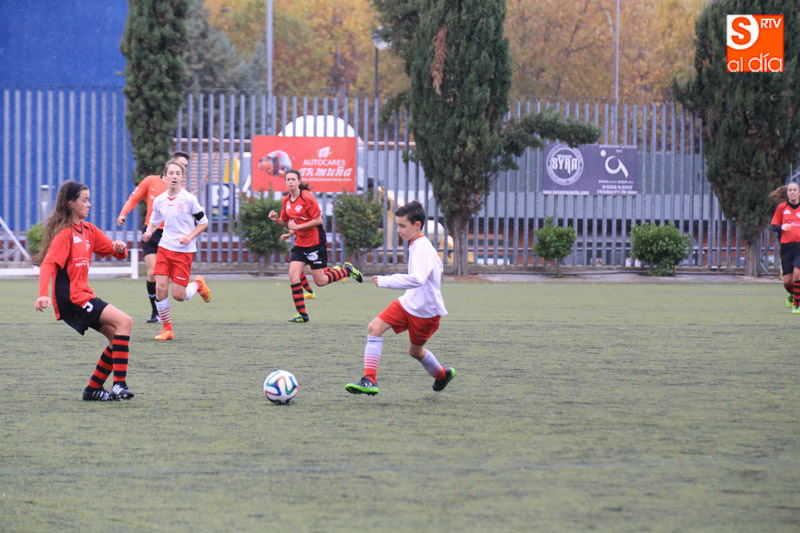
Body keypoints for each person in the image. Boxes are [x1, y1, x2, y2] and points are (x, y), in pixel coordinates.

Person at [34, 181, 135, 401]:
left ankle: (93, 389)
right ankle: (119, 384)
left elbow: (114, 251)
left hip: (83, 296)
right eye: (84, 200)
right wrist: (42, 294)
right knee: (125, 322)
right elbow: (48, 264)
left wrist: (120, 249)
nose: (89, 204)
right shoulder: (65, 233)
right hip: (72, 298)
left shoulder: (88, 230)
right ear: (71, 203)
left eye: (89, 200)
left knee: (116, 338)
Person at [346, 200, 455, 396]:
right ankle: (369, 380)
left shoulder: (422, 247)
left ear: (417, 225)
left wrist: (387, 281)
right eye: (397, 225)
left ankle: (442, 375)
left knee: (415, 352)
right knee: (374, 328)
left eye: (402, 226)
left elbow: (418, 279)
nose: (398, 230)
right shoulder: (416, 244)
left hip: (426, 312)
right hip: (407, 303)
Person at [267, 168, 363, 323]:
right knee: (293, 275)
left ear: (298, 182)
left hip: (315, 243)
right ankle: (302, 315)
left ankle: (347, 271)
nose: (290, 182)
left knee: (321, 281)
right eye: (288, 179)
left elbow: (318, 220)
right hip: (300, 243)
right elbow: (285, 222)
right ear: (285, 182)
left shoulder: (307, 197)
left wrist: (298, 227)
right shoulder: (286, 200)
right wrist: (276, 219)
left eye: (293, 179)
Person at [117, 150, 190, 323]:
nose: (183, 168)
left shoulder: (184, 193)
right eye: (181, 164)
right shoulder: (150, 181)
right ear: (171, 164)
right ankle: (156, 312)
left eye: (185, 167)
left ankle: (163, 309)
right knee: (152, 273)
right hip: (151, 232)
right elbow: (133, 199)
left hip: (171, 235)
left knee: (164, 279)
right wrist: (123, 214)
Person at [143, 158, 211, 341]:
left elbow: (203, 222)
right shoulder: (159, 200)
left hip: (183, 251)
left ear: (183, 177)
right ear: (165, 177)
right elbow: (154, 221)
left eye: (178, 174)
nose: (174, 176)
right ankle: (167, 329)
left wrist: (189, 236)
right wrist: (149, 232)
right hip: (165, 248)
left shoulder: (189, 199)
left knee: (179, 295)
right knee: (160, 287)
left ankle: (198, 284)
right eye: (171, 173)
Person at [770, 182, 800, 312]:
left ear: (799, 192)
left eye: (794, 190)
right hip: (786, 247)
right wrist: (781, 227)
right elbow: (774, 227)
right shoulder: (781, 208)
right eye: (790, 190)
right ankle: (793, 294)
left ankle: (797, 305)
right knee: (788, 282)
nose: (792, 192)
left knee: (797, 274)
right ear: (787, 193)